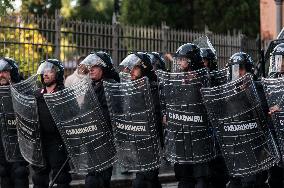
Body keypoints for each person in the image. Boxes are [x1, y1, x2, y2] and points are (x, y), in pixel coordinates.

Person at [169, 43, 211, 188]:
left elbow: (207, 103)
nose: (179, 62)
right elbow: (171, 100)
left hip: (198, 133)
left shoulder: (204, 78)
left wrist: (196, 82)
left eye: (183, 59)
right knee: (183, 178)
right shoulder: (177, 79)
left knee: (200, 179)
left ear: (191, 60)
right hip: (182, 132)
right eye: (179, 59)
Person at [226, 52, 270, 188]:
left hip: (253, 142)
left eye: (241, 69)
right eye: (235, 69)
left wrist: (249, 90)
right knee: (234, 182)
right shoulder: (229, 90)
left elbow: (262, 110)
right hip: (235, 141)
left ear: (249, 70)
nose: (238, 73)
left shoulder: (258, 88)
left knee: (251, 181)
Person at [120, 52, 162, 188]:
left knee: (142, 181)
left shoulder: (154, 89)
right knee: (150, 180)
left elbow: (154, 118)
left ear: (144, 69)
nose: (130, 71)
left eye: (135, 68)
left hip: (151, 142)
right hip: (137, 141)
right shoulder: (132, 89)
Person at [79, 51, 119, 188]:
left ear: (104, 68)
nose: (91, 69)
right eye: (90, 66)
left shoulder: (111, 86)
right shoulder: (92, 85)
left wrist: (91, 118)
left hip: (104, 140)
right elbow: (84, 109)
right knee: (92, 177)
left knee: (99, 179)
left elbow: (110, 114)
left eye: (95, 67)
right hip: (91, 137)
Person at [32, 59, 72, 188]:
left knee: (61, 178)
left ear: (58, 74)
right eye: (44, 71)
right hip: (40, 142)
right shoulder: (37, 94)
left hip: (58, 142)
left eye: (49, 71)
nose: (45, 74)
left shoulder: (65, 94)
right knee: (38, 178)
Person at [0, 57, 29, 188]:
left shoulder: (23, 90)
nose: (1, 75)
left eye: (5, 71)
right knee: (3, 175)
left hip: (18, 141)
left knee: (19, 173)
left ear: (13, 72)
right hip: (1, 142)